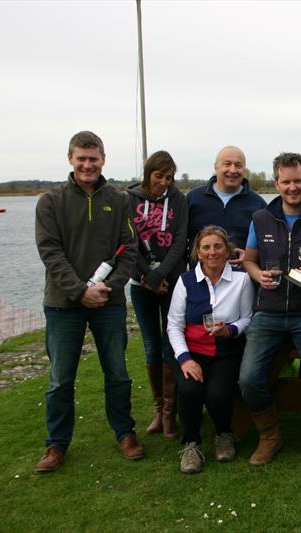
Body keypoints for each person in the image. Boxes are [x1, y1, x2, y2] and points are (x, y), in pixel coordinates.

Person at [34, 131, 143, 472]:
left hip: (108, 303)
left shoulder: (120, 199)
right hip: (62, 305)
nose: (87, 164)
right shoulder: (50, 202)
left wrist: (107, 288)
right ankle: (56, 445)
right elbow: (50, 252)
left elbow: (130, 248)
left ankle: (125, 434)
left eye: (93, 158)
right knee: (61, 379)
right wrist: (80, 290)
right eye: (81, 158)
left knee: (118, 373)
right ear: (70, 159)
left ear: (103, 159)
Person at [239, 152, 301, 471]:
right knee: (249, 379)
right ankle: (270, 437)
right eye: (286, 181)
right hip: (267, 313)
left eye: (298, 181)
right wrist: (258, 275)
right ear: (276, 183)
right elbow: (249, 260)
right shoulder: (261, 219)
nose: (293, 187)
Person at [166, 226, 254, 474]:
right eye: (206, 247)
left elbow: (248, 318)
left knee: (217, 393)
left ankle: (224, 434)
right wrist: (184, 359)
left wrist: (231, 330)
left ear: (227, 250)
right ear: (198, 252)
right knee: (189, 389)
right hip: (191, 350)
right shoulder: (185, 281)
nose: (212, 252)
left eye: (218, 246)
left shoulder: (242, 279)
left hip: (226, 350)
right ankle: (191, 443)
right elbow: (174, 324)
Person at [126, 151, 188, 440]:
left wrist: (160, 273)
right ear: (148, 173)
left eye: (168, 177)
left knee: (170, 344)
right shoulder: (129, 199)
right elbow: (127, 242)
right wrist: (145, 276)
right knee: (150, 346)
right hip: (141, 284)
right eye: (159, 175)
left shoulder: (178, 200)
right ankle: (158, 407)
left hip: (171, 281)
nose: (163, 182)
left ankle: (170, 414)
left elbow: (179, 242)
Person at [186, 146, 267, 268]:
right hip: (199, 280)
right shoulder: (193, 199)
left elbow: (268, 245)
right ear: (216, 167)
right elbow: (180, 241)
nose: (233, 170)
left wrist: (250, 258)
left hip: (241, 279)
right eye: (227, 164)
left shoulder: (258, 204)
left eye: (238, 165)